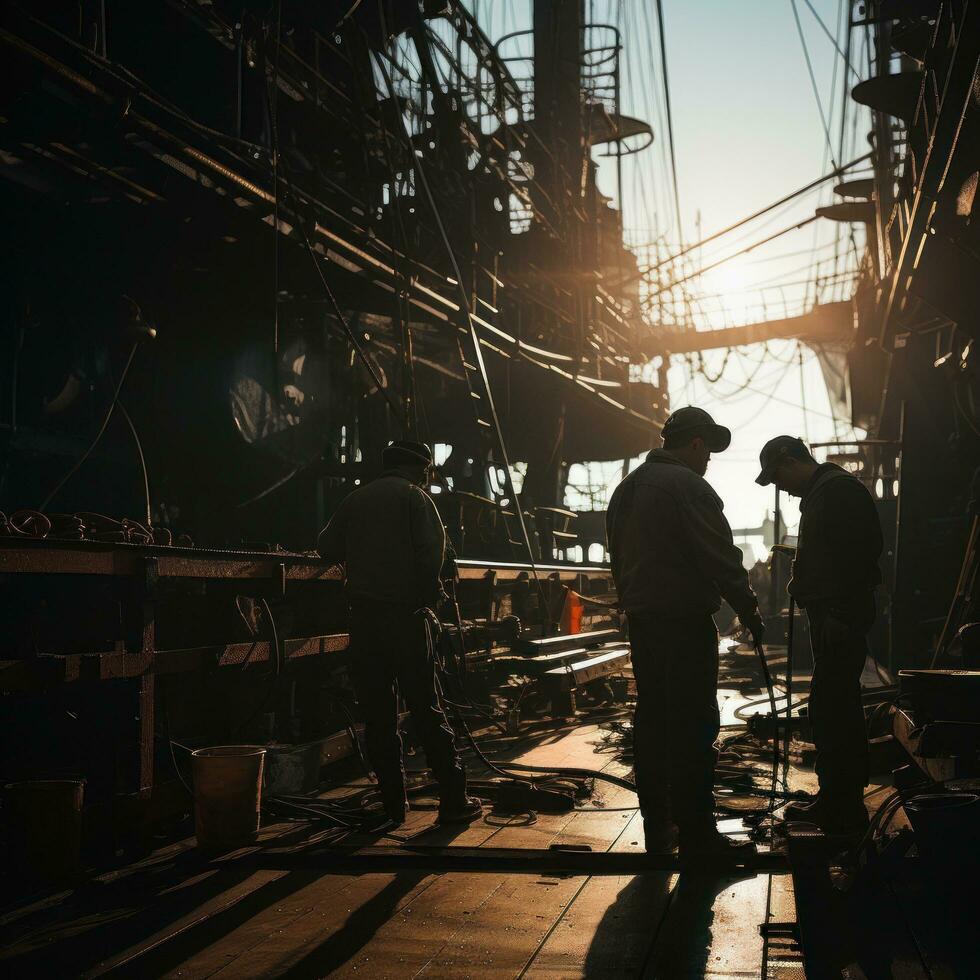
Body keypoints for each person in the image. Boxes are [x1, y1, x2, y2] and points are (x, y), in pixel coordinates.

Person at [607, 407, 764, 858]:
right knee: (695, 723)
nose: (709, 460)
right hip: (683, 621)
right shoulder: (690, 487)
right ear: (695, 443)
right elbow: (719, 557)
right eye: (708, 451)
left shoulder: (626, 489)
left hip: (643, 620)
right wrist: (748, 608)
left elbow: (618, 559)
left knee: (653, 721)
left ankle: (659, 828)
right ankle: (699, 836)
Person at [318, 440, 481, 826]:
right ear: (422, 469)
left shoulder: (355, 500)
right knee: (425, 707)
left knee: (377, 715)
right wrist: (428, 598)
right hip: (407, 619)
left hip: (365, 621)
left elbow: (326, 547)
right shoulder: (416, 499)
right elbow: (431, 555)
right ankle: (453, 801)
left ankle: (393, 804)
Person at [755, 435, 883, 835]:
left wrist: (841, 613)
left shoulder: (837, 492)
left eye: (778, 476)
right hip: (831, 614)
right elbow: (835, 554)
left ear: (792, 460)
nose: (779, 486)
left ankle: (840, 807)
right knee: (833, 705)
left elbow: (860, 555)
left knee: (833, 707)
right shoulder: (822, 493)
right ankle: (837, 798)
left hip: (839, 616)